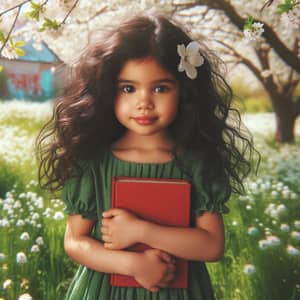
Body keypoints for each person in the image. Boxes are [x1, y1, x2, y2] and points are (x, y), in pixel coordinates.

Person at [36, 13, 258, 300]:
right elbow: (75, 241)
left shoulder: (196, 162)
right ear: (108, 91)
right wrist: (132, 264)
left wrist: (140, 231)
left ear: (184, 92)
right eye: (128, 88)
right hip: (104, 292)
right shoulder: (93, 161)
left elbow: (212, 246)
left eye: (160, 88)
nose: (144, 103)